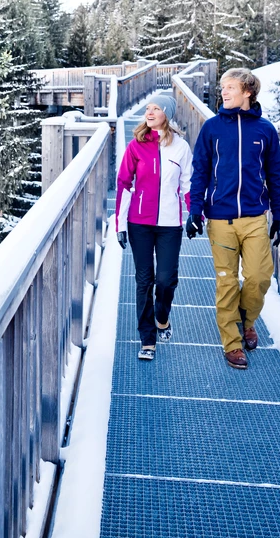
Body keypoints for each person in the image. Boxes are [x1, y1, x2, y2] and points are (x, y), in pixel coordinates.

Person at [186, 68, 280, 370]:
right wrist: (195, 210)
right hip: (220, 219)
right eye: (222, 88)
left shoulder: (265, 130)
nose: (224, 92)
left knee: (258, 277)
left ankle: (247, 320)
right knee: (227, 282)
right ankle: (232, 343)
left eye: (230, 87)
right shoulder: (212, 128)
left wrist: (279, 215)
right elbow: (200, 170)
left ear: (248, 91)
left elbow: (275, 176)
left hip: (256, 217)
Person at [115, 94, 194, 361]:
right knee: (144, 280)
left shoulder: (181, 147)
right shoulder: (136, 146)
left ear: (167, 114)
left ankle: (162, 318)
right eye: (148, 108)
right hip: (140, 223)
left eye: (156, 108)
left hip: (170, 224)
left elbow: (187, 185)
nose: (149, 112)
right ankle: (147, 339)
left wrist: (194, 213)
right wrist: (120, 223)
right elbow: (124, 184)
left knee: (166, 280)